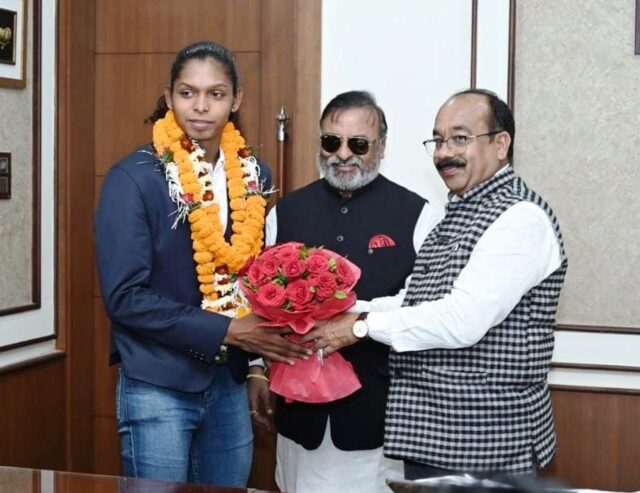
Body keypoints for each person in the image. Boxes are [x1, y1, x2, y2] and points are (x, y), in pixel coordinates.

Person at [302, 89, 568, 478]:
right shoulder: (458, 214)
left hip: (487, 442)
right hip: (436, 436)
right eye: (438, 141)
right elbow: (414, 300)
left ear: (501, 144)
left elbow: (463, 320)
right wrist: (345, 311)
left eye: (460, 138)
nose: (444, 153)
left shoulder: (519, 218)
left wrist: (360, 326)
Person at [94, 40, 309, 487]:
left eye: (216, 94)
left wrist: (255, 365)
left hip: (229, 384)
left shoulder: (255, 175)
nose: (201, 107)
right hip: (157, 381)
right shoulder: (134, 178)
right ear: (169, 96)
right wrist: (227, 330)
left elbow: (252, 280)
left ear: (237, 99)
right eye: (188, 93)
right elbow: (125, 298)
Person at [248, 90, 442, 493]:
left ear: (382, 147)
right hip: (299, 412)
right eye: (331, 141)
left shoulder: (418, 214)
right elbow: (260, 301)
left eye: (358, 144)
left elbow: (425, 306)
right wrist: (256, 368)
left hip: (379, 412)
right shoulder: (286, 211)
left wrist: (355, 320)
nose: (342, 154)